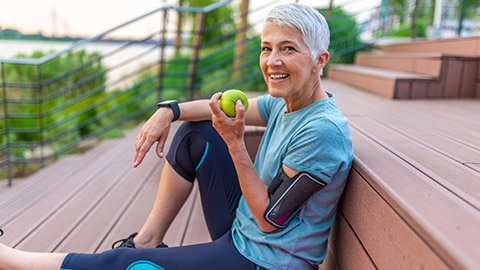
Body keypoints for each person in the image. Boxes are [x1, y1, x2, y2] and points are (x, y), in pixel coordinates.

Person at [0, 3, 353, 270]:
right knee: (195, 133)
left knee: (127, 265)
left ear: (319, 59)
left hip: (265, 260)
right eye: (266, 48)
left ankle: (10, 261)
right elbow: (207, 108)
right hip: (245, 231)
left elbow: (269, 219)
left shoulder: (321, 132)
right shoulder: (286, 103)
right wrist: (168, 111)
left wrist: (234, 142)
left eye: (288, 49)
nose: (272, 60)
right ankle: (148, 240)